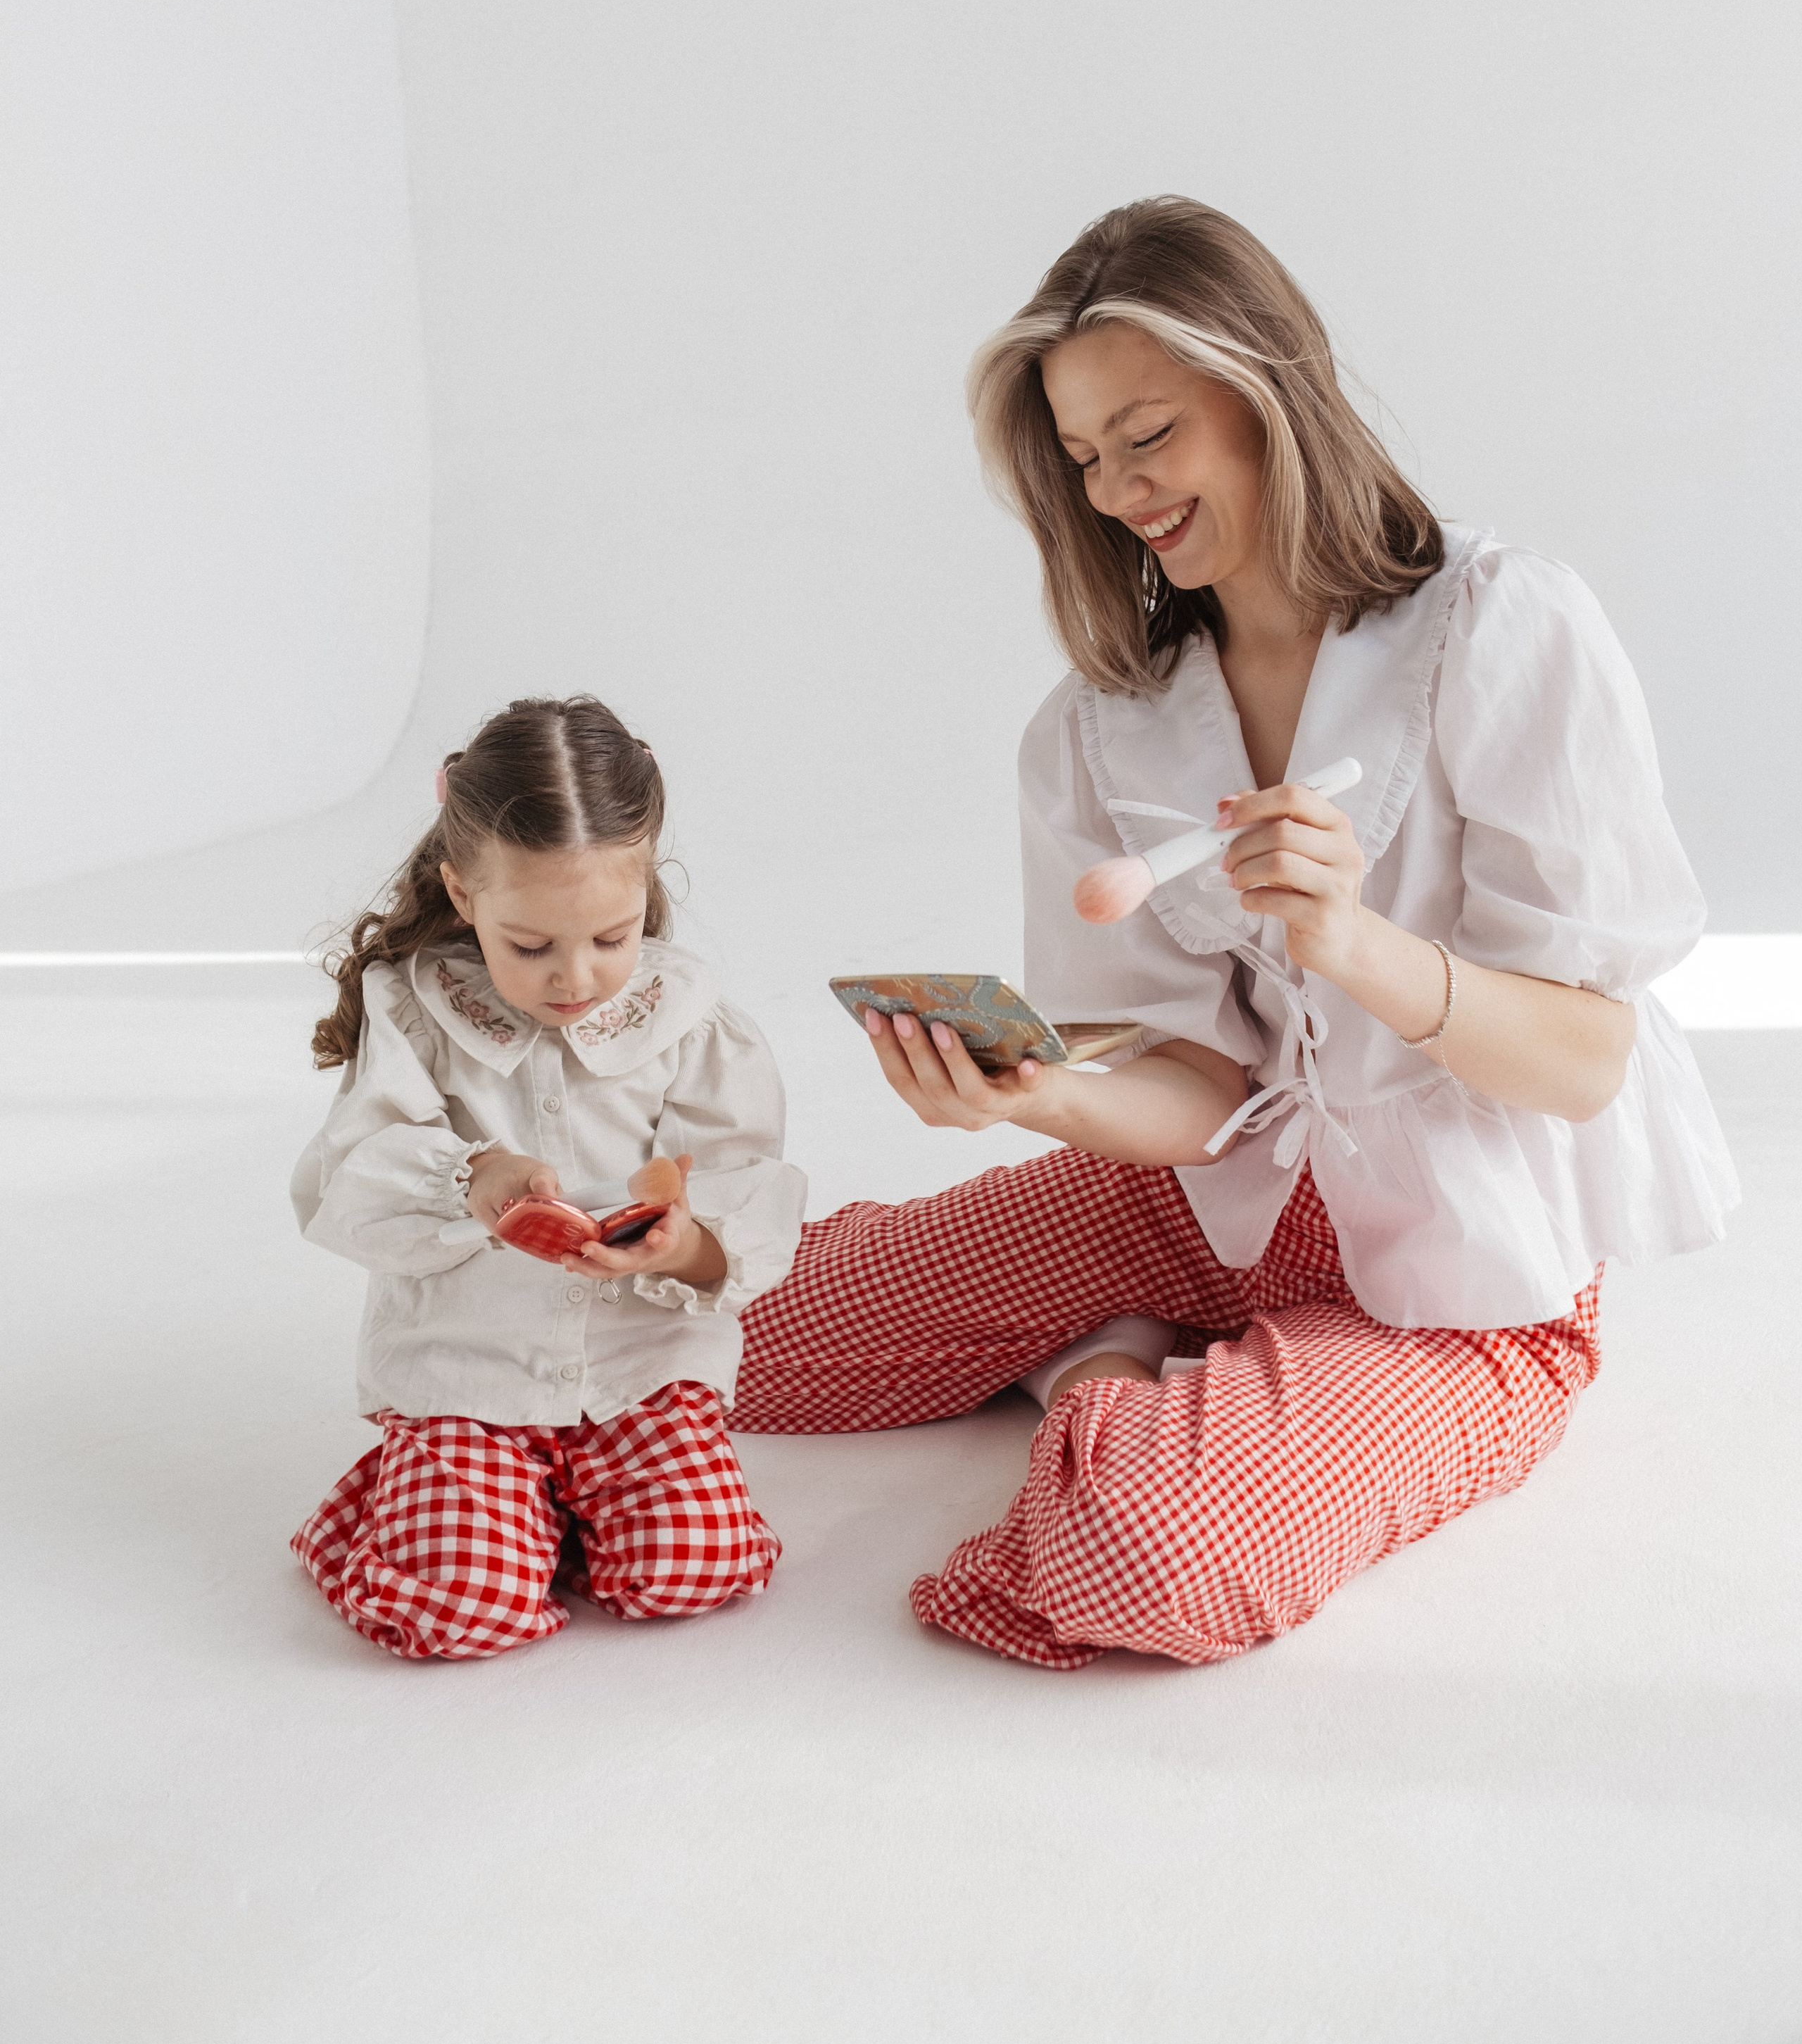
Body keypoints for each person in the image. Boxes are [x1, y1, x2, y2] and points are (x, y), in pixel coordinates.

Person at [733, 196, 1736, 1671]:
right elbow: (1195, 1092)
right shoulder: (1099, 729)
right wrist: (1043, 1093)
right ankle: (1138, 1336)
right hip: (1198, 1207)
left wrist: (1352, 943)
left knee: (1144, 1548)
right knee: (726, 1338)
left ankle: (1111, 1378)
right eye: (1082, 460)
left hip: (1454, 1283)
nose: (1119, 489)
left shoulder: (1502, 626)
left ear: (1265, 386)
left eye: (1148, 435)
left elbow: (1585, 1059)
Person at [291, 695, 805, 1658]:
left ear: (646, 883)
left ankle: (546, 1513)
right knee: (454, 1612)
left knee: (694, 1570)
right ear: (461, 893)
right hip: (471, 1368)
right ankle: (419, 1505)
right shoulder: (414, 1011)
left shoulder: (686, 1016)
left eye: (610, 937)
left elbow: (745, 1179)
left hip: (636, 1370)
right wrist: (471, 1177)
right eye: (532, 946)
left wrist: (685, 1243)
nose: (575, 977)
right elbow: (346, 1178)